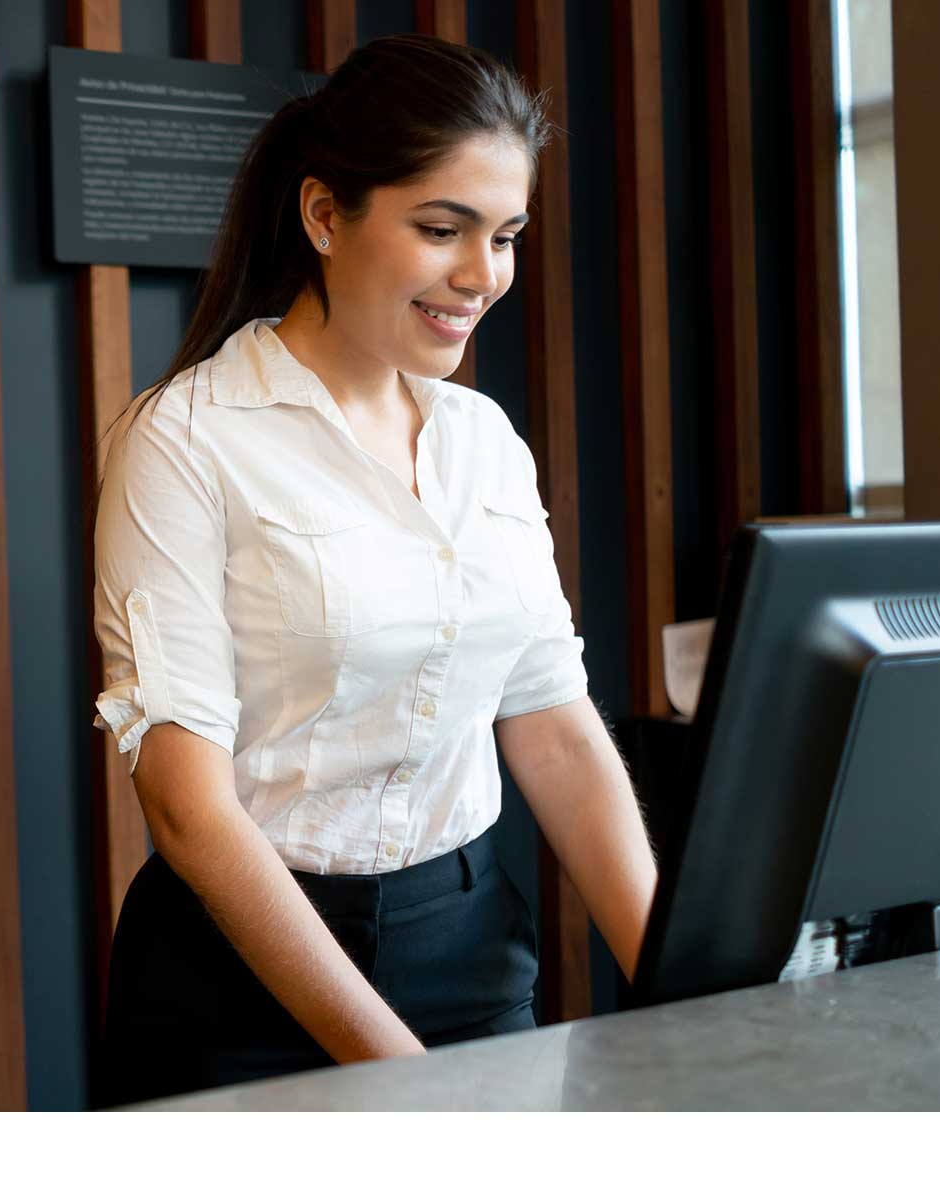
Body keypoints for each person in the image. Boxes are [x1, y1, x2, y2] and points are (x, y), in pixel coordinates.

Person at [89, 35, 657, 1108]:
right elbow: (185, 805)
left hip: (475, 951)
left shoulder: (483, 439)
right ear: (322, 216)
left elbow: (554, 724)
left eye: (505, 236)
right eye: (442, 229)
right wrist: (406, 1081)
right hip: (244, 984)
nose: (482, 275)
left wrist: (695, 991)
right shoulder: (185, 439)